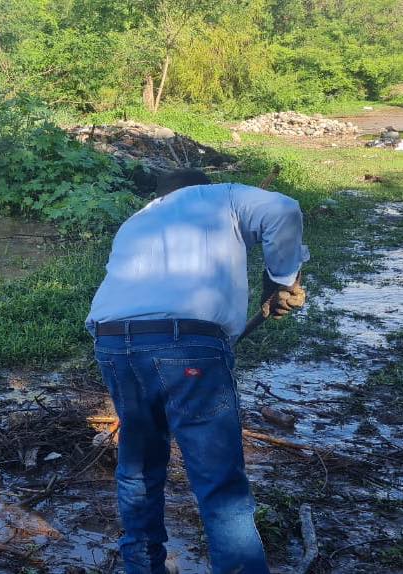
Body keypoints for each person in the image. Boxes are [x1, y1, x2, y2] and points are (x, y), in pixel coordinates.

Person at [86, 169, 309, 574]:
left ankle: (142, 567)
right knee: (218, 480)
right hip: (187, 345)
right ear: (200, 186)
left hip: (113, 341)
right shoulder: (222, 195)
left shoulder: (137, 221)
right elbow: (283, 208)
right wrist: (280, 279)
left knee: (138, 466)